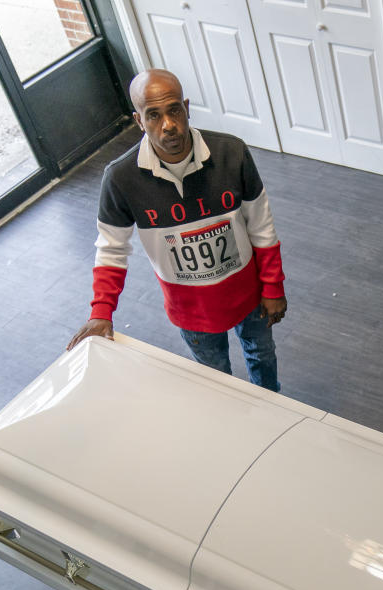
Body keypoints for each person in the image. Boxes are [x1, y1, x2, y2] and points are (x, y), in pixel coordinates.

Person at [67, 69, 287, 392]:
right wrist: (102, 310)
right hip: (192, 312)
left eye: (174, 110)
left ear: (186, 107)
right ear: (139, 121)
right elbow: (111, 249)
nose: (168, 125)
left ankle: (274, 410)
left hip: (249, 297)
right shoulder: (120, 179)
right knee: (217, 384)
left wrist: (273, 287)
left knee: (263, 359)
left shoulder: (232, 153)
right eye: (153, 116)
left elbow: (262, 226)